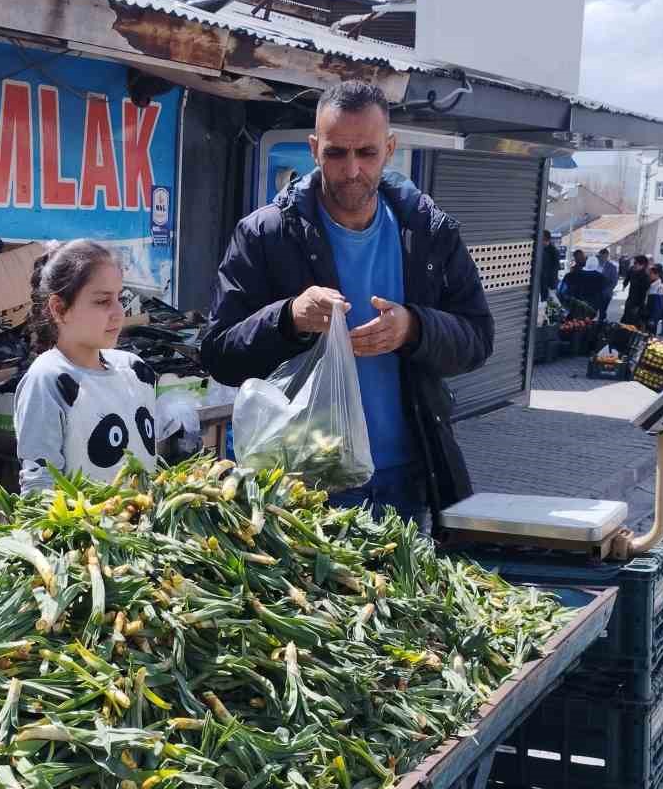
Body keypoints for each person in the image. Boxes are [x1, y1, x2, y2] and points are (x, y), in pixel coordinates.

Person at [203, 80, 493, 524]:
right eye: (337, 153)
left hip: (407, 479)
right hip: (304, 482)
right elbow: (218, 353)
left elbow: (477, 338)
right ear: (314, 148)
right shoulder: (264, 235)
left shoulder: (431, 233)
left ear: (390, 148)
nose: (352, 169)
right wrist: (287, 319)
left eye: (367, 153)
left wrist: (415, 328)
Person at [15, 239, 158, 492]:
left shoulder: (135, 371)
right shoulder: (48, 379)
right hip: (85, 530)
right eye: (102, 301)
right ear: (60, 309)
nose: (118, 312)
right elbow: (40, 486)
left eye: (119, 297)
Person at [621, 255, 652, 328]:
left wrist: (638, 307)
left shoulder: (645, 277)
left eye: (636, 263)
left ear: (642, 265)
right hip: (630, 300)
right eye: (634, 263)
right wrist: (624, 284)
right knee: (625, 321)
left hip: (637, 304)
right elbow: (628, 277)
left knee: (632, 323)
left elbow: (643, 294)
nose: (634, 265)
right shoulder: (633, 271)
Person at [646, 264, 663, 337]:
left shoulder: (659, 287)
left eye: (651, 273)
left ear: (657, 274)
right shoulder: (653, 284)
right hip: (649, 314)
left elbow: (658, 306)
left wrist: (653, 319)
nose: (649, 275)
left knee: (651, 336)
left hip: (653, 317)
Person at [539, 229, 562, 296]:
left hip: (547, 285)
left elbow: (554, 269)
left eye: (541, 239)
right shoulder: (541, 249)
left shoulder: (553, 251)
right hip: (542, 283)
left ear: (546, 239)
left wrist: (551, 286)